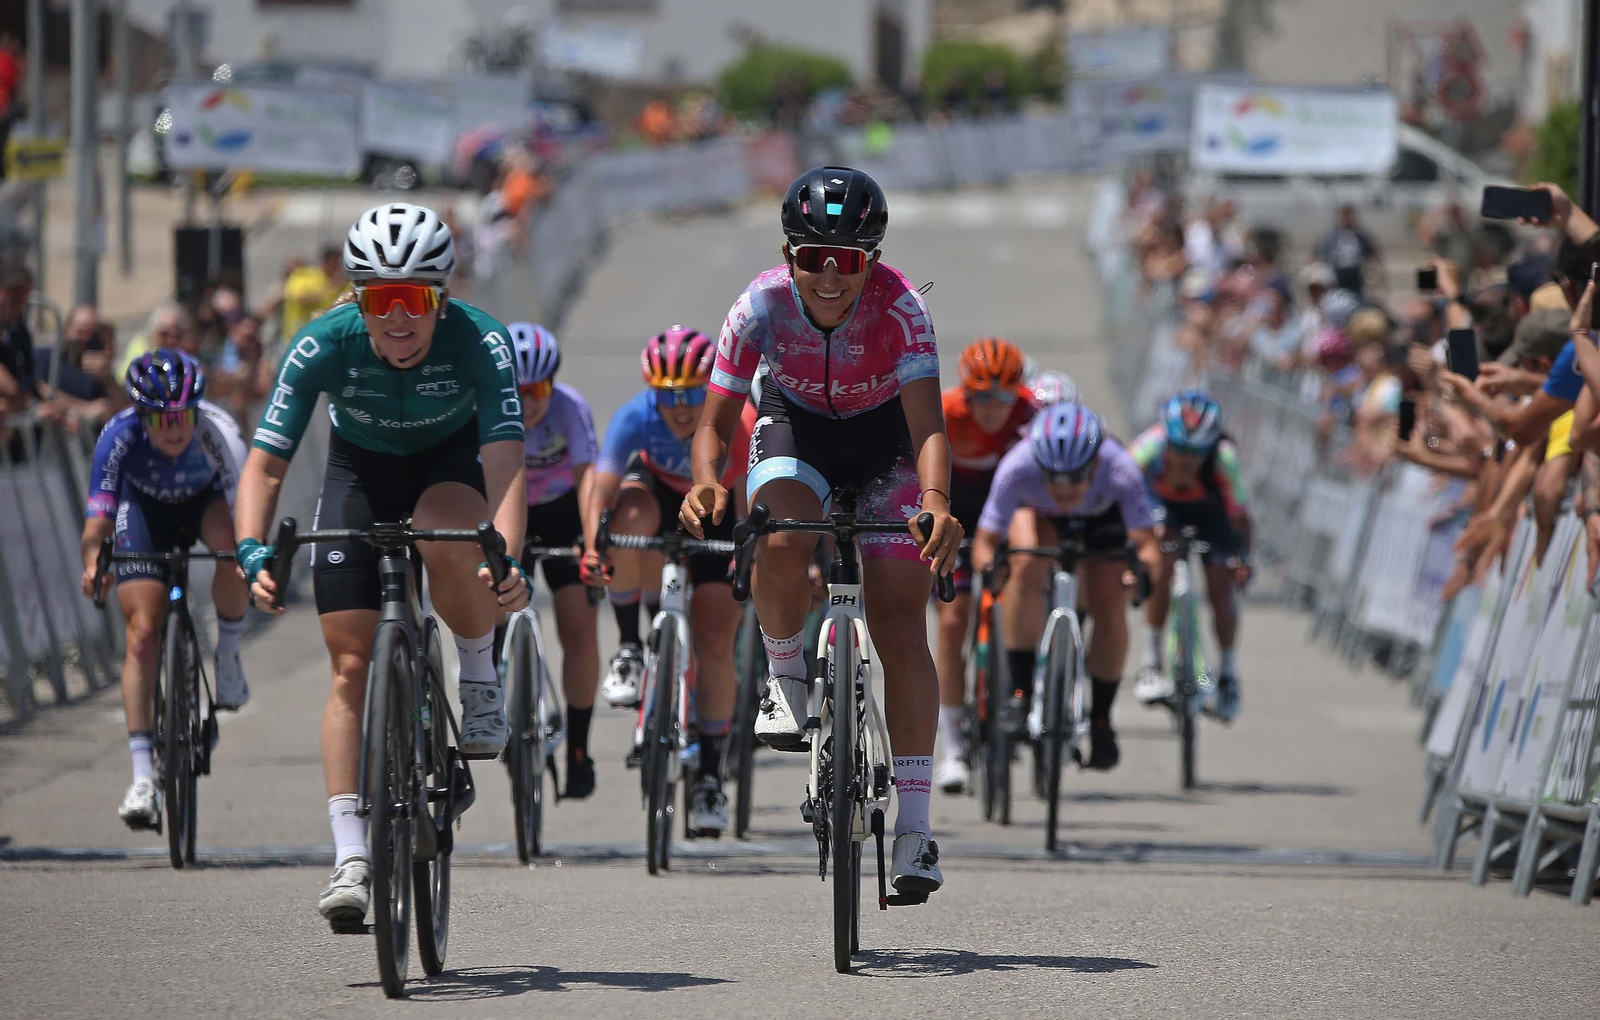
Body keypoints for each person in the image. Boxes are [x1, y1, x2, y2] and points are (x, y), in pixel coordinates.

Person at [231, 202, 531, 927]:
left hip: (448, 469)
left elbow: (506, 465)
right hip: (359, 475)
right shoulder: (323, 343)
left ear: (442, 297)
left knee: (443, 531)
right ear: (357, 298)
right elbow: (266, 465)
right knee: (349, 666)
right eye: (379, 300)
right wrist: (250, 550)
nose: (397, 318)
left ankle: (478, 672)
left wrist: (506, 557)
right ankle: (351, 855)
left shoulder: (481, 341)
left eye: (415, 300)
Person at [681, 166, 962, 896]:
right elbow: (713, 424)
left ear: (871, 260)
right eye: (814, 258)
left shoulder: (901, 308)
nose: (831, 276)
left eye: (849, 261)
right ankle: (783, 678)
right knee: (778, 530)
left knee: (902, 624)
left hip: (887, 444)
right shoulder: (760, 305)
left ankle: (915, 832)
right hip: (797, 427)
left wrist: (934, 500)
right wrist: (708, 481)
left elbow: (929, 427)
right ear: (788, 255)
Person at [582, 327, 749, 837]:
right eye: (666, 394)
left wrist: (746, 555)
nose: (678, 407)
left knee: (716, 639)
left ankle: (711, 776)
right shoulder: (636, 416)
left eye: (690, 394)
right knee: (627, 513)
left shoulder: (734, 421)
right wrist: (593, 547)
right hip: (657, 497)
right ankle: (632, 646)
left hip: (719, 505)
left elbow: (742, 505)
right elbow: (599, 488)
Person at [78, 351, 250, 830]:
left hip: (206, 501)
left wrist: (253, 558)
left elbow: (247, 514)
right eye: (160, 418)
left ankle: (229, 655)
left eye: (183, 416)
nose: (174, 428)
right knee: (142, 632)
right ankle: (142, 778)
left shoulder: (220, 433)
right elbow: (97, 521)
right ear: (141, 415)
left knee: (232, 557)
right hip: (144, 508)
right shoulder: (118, 435)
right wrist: (94, 563)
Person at [967, 402, 1162, 772]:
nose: (1064, 487)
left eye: (1075, 477)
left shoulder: (1119, 466)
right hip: (1041, 517)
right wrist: (992, 570)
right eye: (1052, 477)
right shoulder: (1018, 465)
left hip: (1103, 520)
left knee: (1110, 600)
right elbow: (985, 542)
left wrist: (1142, 575)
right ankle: (1019, 694)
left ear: (1094, 464)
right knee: (1024, 565)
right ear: (1037, 463)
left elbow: (1148, 545)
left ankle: (1102, 720)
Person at [933, 337, 1040, 794]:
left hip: (1004, 508)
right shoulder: (945, 411)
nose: (994, 408)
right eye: (982, 396)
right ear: (966, 392)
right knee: (953, 620)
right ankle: (952, 744)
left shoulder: (1031, 413)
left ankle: (1022, 685)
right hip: (956, 509)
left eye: (1003, 398)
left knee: (1028, 564)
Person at [509, 321, 604, 799]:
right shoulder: (485, 406)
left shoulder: (569, 407)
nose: (528, 402)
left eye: (538, 389)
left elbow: (589, 477)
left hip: (565, 512)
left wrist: (591, 545)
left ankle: (579, 749)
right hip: (511, 512)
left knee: (578, 628)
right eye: (517, 391)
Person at [1129, 391, 1253, 722]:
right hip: (1163, 509)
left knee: (1220, 584)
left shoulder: (1224, 458)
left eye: (1197, 453)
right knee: (1160, 563)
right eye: (1180, 449)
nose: (1186, 461)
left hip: (1211, 514)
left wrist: (1242, 559)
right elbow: (1121, 488)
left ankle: (1228, 673)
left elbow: (1240, 517)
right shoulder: (1149, 446)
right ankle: (1151, 661)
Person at [278, 246, 346, 345]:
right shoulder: (304, 276)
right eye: (335, 264)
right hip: (297, 337)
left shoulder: (342, 283)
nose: (338, 268)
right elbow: (301, 298)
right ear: (326, 262)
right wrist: (330, 289)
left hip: (327, 338)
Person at [1317, 205, 1381, 297]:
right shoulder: (1333, 236)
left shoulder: (1360, 235)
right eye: (1344, 216)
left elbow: (1373, 253)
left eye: (1349, 215)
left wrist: (1378, 271)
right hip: (1337, 276)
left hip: (1355, 277)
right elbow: (1321, 253)